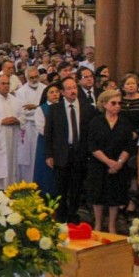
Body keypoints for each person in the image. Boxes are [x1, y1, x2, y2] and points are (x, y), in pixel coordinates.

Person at [44, 76, 97, 223]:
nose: (73, 91)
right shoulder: (55, 109)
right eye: (69, 89)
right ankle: (60, 216)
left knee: (77, 186)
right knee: (61, 187)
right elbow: (49, 133)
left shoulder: (87, 107)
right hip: (61, 153)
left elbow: (90, 132)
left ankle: (73, 213)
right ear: (62, 91)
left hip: (80, 153)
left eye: (74, 88)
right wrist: (49, 155)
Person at [86, 90, 133, 233]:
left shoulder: (125, 122)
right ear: (104, 104)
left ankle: (112, 224)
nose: (117, 106)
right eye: (114, 103)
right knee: (98, 195)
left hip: (119, 165)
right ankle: (98, 224)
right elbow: (93, 146)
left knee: (115, 195)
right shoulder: (96, 122)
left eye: (120, 103)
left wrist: (118, 163)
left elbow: (128, 145)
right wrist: (108, 162)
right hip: (99, 164)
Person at [15, 66, 47, 182]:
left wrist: (35, 106)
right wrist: (38, 107)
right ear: (26, 78)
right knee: (28, 158)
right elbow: (23, 110)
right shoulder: (20, 92)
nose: (34, 79)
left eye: (36, 77)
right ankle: (28, 181)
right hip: (28, 128)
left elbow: (48, 106)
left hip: (42, 126)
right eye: (31, 77)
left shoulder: (46, 89)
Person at [33, 82, 62, 199]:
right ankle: (44, 194)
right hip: (46, 143)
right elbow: (41, 127)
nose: (55, 94)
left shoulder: (62, 107)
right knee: (44, 170)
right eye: (52, 92)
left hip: (60, 144)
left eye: (57, 92)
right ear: (46, 95)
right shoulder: (42, 109)